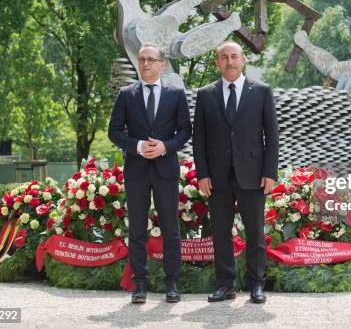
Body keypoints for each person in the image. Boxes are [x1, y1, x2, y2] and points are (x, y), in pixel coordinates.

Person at [192, 41, 279, 304]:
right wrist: (202, 174)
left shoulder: (261, 91)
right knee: (220, 232)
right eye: (223, 57)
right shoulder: (206, 94)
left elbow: (271, 135)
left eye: (234, 56)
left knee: (254, 232)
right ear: (217, 62)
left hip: (252, 174)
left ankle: (256, 285)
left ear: (243, 60)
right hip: (217, 176)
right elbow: (199, 138)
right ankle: (226, 285)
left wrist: (269, 172)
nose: (229, 61)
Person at [108, 42, 191, 304]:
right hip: (137, 171)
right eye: (142, 59)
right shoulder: (126, 94)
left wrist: (166, 146)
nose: (145, 63)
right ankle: (139, 285)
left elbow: (185, 131)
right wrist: (138, 146)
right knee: (137, 231)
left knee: (171, 229)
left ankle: (172, 284)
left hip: (166, 170)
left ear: (162, 64)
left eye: (151, 59)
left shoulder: (176, 94)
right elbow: (114, 132)